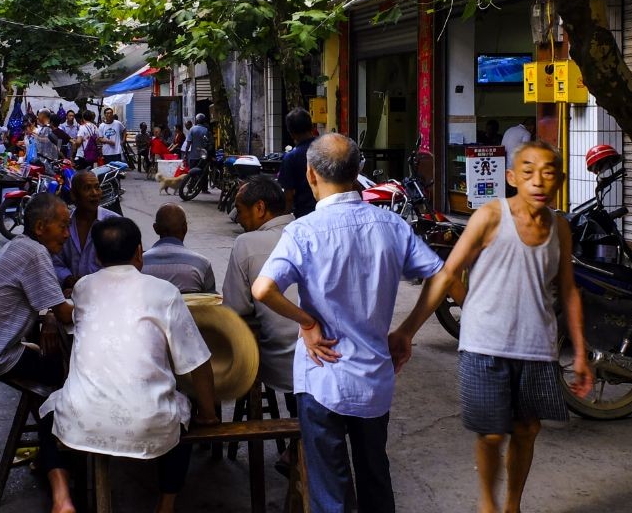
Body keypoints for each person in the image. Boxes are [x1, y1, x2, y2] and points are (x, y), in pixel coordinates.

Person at [389, 140, 594, 513]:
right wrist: (407, 330)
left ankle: (511, 505)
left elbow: (568, 290)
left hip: (537, 346)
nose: (539, 181)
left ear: (560, 180)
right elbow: (446, 272)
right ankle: (488, 504)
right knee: (492, 433)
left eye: (548, 173)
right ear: (513, 177)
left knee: (527, 430)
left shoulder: (560, 228)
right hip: (484, 342)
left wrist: (580, 352)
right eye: (529, 172)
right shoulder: (491, 216)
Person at [252, 133, 443, 513]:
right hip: (374, 379)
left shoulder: (303, 232)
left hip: (322, 376)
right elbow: (442, 275)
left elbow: (263, 289)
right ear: (358, 173)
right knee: (375, 474)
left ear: (310, 176)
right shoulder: (390, 225)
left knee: (329, 488)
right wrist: (406, 330)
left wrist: (307, 322)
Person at [40, 217, 219, 513]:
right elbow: (196, 362)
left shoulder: (84, 287)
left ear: (97, 257)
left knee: (49, 410)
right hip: (148, 423)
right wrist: (209, 414)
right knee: (183, 412)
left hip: (82, 420)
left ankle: (61, 497)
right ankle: (166, 505)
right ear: (139, 252)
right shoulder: (164, 292)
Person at [0, 193, 77, 513]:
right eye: (62, 227)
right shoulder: (34, 253)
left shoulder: (20, 247)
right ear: (40, 227)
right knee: (63, 383)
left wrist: (50, 314)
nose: (66, 234)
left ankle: (52, 454)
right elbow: (63, 313)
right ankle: (60, 480)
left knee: (49, 366)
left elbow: (47, 305)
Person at [222, 176, 298, 398]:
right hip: (327, 357)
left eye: (239, 210)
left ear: (260, 208)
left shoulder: (245, 244)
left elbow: (235, 309)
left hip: (280, 364)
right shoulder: (308, 231)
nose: (238, 219)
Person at [53, 171, 118, 291]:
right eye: (87, 188)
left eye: (97, 187)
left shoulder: (114, 223)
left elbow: (123, 265)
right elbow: (56, 262)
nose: (94, 193)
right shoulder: (64, 226)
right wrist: (68, 279)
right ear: (73, 195)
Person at [141, 203, 216, 293]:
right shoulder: (201, 264)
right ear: (185, 228)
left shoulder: (140, 263)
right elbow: (212, 300)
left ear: (155, 229)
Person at [278, 108, 318, 218]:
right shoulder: (326, 147)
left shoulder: (291, 157)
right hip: (328, 210)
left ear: (291, 133)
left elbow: (289, 195)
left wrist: (284, 217)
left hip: (305, 214)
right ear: (312, 127)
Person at [500, 117, 533, 197]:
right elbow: (526, 152)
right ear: (532, 126)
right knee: (516, 193)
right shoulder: (526, 133)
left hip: (503, 166)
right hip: (516, 167)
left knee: (507, 193)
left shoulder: (510, 129)